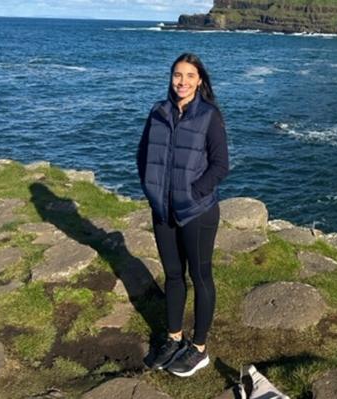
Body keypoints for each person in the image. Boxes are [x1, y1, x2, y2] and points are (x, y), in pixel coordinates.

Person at [136, 53, 229, 377]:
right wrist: (151, 190)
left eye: (190, 75)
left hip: (197, 213)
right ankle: (174, 339)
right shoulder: (158, 112)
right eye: (178, 75)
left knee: (200, 277)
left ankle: (199, 348)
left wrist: (193, 193)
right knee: (173, 275)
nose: (183, 81)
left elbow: (220, 165)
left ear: (200, 80)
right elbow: (143, 154)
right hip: (163, 211)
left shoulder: (209, 115)